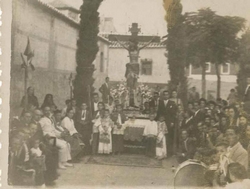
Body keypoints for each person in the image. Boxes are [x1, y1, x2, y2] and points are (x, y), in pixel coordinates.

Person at [157, 90, 177, 157]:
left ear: (169, 95)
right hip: (162, 122)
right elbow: (159, 112)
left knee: (168, 137)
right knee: (161, 137)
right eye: (164, 95)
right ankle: (161, 153)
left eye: (167, 94)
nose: (166, 96)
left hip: (169, 122)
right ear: (163, 96)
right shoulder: (160, 102)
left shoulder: (172, 103)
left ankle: (169, 153)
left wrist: (172, 122)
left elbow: (174, 113)